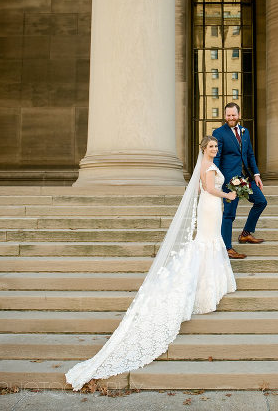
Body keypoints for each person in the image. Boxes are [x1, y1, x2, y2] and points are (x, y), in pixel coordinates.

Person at [65, 136, 237, 391]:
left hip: (209, 207)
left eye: (216, 147)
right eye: (211, 147)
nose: (215, 149)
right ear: (204, 149)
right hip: (211, 205)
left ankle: (207, 284)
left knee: (207, 241)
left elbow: (202, 190)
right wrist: (229, 194)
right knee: (207, 242)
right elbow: (210, 189)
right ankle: (204, 289)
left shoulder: (204, 166)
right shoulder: (209, 167)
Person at [212, 102, 268, 259]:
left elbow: (249, 154)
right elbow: (217, 157)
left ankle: (245, 234)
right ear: (225, 116)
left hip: (247, 177)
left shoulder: (245, 131)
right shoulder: (219, 132)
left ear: (239, 115)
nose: (231, 117)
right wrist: (217, 177)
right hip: (230, 180)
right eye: (228, 115)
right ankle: (227, 248)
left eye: (233, 115)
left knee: (261, 202)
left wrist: (256, 174)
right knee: (229, 214)